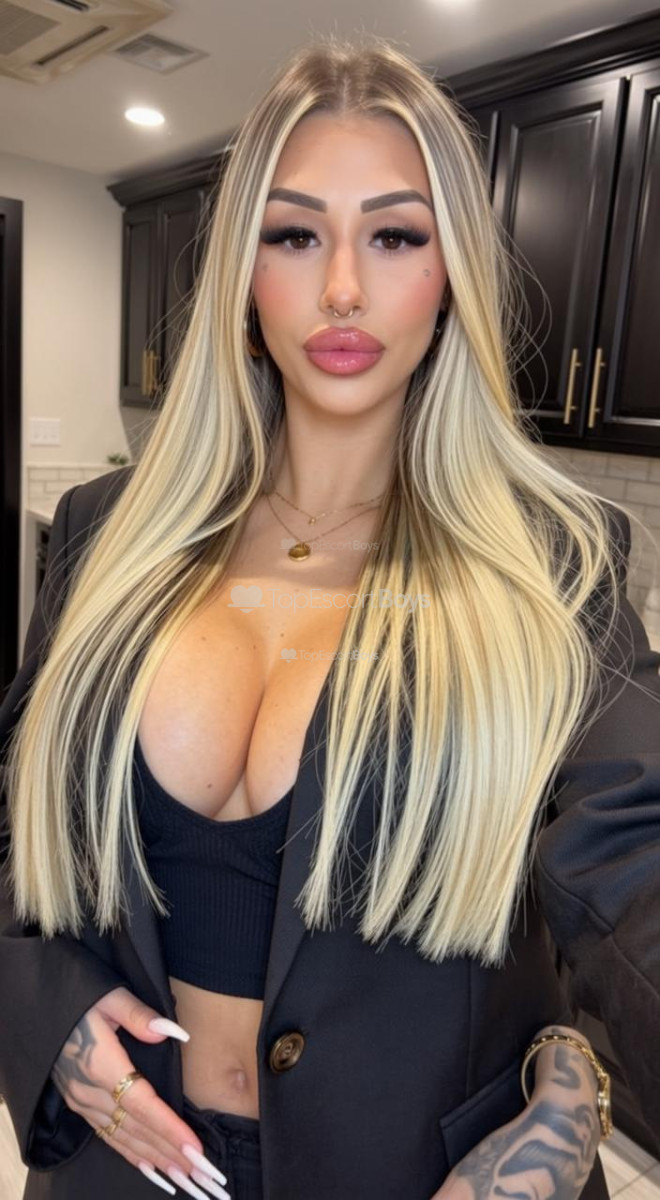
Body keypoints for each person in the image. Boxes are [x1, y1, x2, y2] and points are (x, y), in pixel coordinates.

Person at [1, 30, 659, 1200]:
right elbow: (15, 810)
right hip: (121, 1171)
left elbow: (630, 865)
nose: (343, 287)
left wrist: (581, 1086)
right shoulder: (110, 533)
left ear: (450, 276)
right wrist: (42, 1012)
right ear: (242, 274)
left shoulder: (554, 564)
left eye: (396, 236)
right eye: (295, 235)